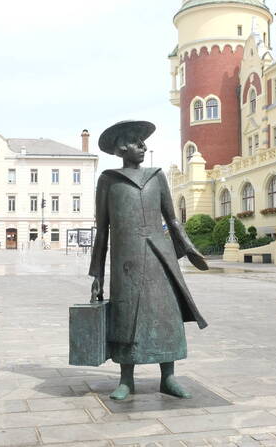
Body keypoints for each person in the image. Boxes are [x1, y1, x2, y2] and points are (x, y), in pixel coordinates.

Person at [89, 120, 208, 401]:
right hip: (126, 261)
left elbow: (173, 219)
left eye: (144, 142)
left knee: (165, 315)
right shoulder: (108, 180)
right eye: (136, 141)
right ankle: (126, 380)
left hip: (159, 256)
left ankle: (168, 377)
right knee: (127, 316)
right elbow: (102, 230)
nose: (143, 146)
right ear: (121, 147)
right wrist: (97, 276)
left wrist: (190, 248)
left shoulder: (156, 176)